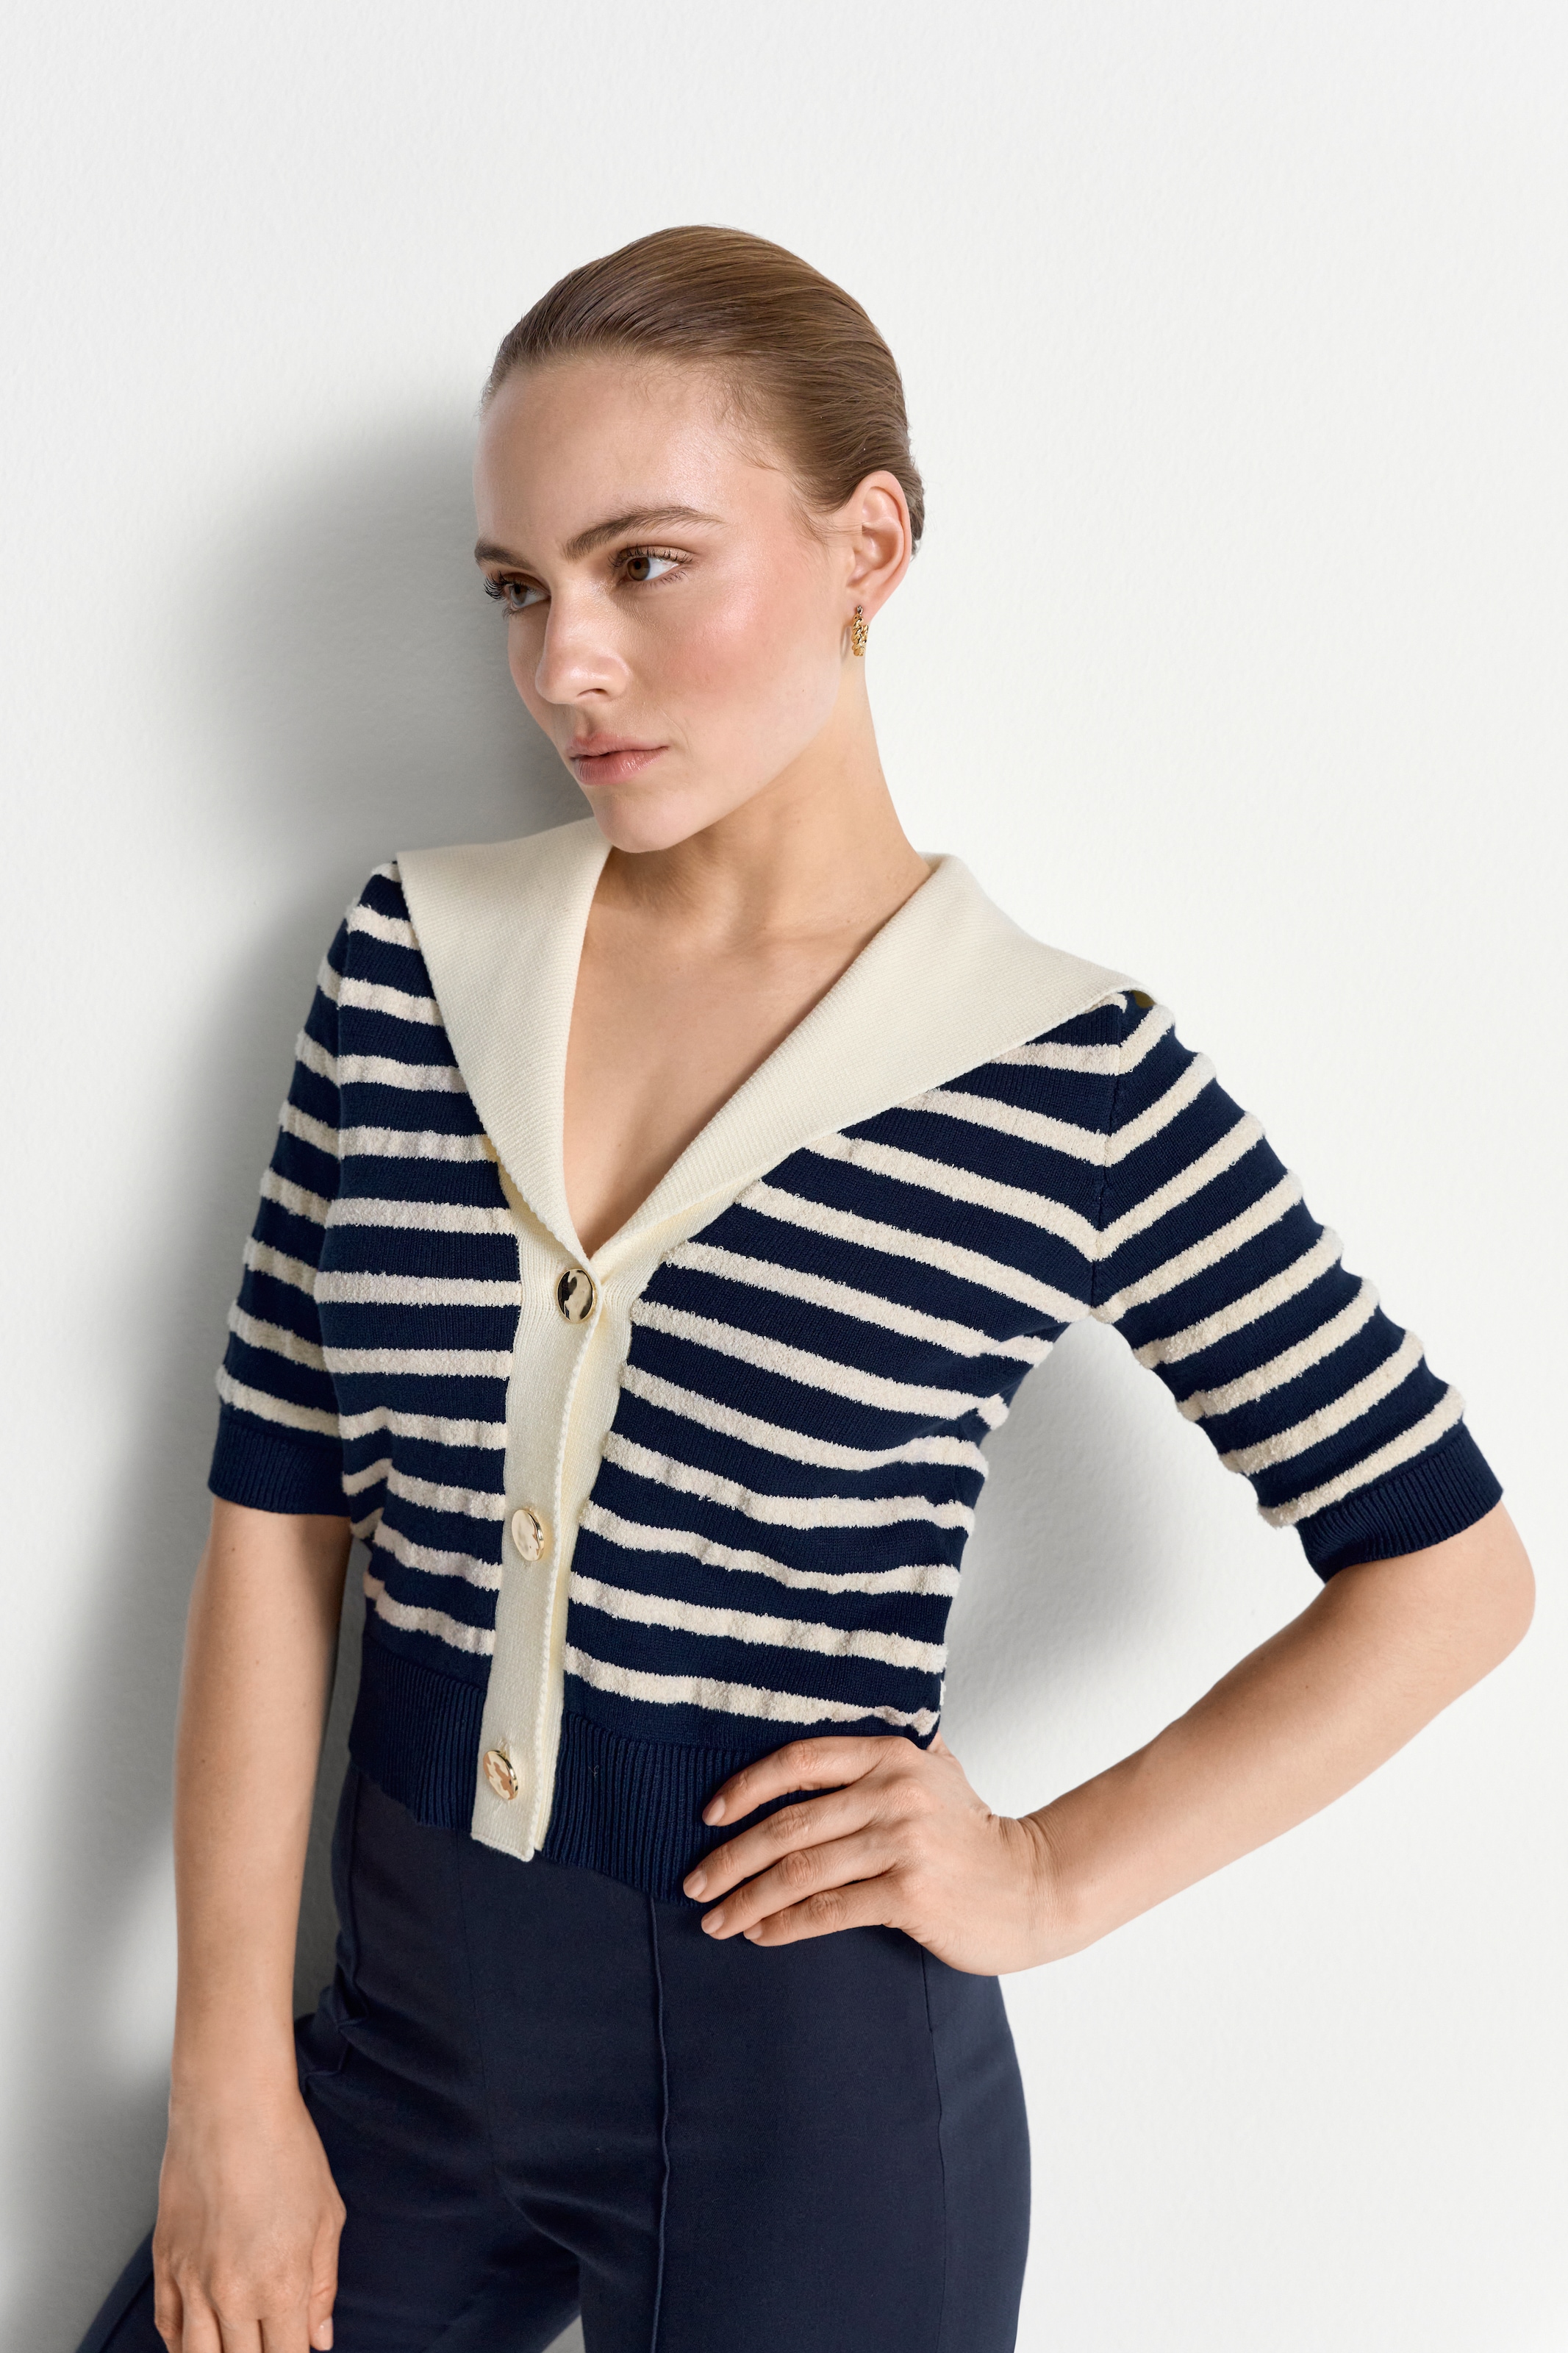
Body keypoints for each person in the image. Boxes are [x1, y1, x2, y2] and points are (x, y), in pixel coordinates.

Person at [79, 226, 1533, 2353]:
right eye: (517, 588)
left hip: (810, 2095)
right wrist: (227, 2084)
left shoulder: (1066, 1075)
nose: (565, 664)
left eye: (645, 564)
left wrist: (1050, 1875)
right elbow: (280, 1520)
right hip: (393, 2039)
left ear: (870, 548)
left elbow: (1449, 1573)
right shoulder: (411, 962)